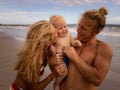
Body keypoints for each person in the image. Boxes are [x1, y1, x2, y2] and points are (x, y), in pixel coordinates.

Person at [50, 6, 113, 90]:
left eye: (83, 28)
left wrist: (75, 58)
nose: (78, 30)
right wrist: (51, 61)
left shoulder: (103, 48)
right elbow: (56, 71)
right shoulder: (70, 43)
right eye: (79, 26)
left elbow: (97, 80)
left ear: (96, 31)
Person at [10, 20, 67, 90]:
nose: (57, 32)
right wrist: (53, 75)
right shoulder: (33, 61)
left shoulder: (40, 50)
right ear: (47, 41)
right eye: (54, 31)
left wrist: (50, 51)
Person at [49, 15, 82, 90]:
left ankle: (62, 83)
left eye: (65, 26)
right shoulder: (55, 37)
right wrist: (51, 50)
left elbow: (72, 42)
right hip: (59, 57)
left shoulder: (68, 34)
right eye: (60, 28)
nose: (64, 29)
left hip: (67, 57)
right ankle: (56, 84)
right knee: (64, 72)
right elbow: (50, 45)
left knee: (69, 73)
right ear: (54, 30)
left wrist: (76, 43)